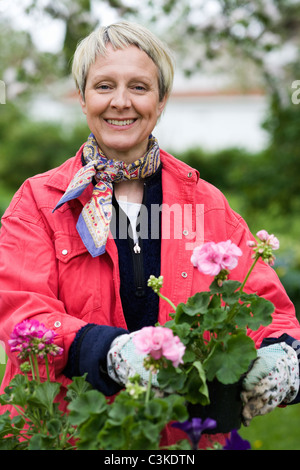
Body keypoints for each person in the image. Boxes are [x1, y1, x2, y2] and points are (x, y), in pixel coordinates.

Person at [0, 20, 300, 449]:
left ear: (160, 102)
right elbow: (23, 315)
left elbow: (267, 311)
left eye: (139, 87)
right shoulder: (39, 202)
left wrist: (283, 359)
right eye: (104, 86)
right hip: (67, 435)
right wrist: (110, 353)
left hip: (180, 441)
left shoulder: (206, 204)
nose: (120, 102)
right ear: (83, 99)